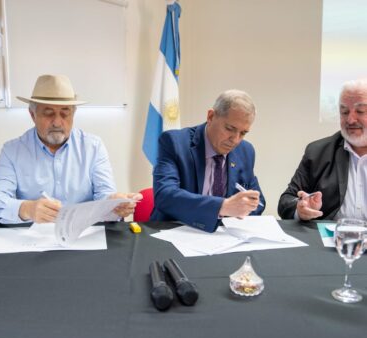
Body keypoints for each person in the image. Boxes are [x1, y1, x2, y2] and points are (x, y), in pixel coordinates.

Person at [0, 74, 140, 224]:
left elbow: (105, 196)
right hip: (31, 237)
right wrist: (27, 209)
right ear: (33, 115)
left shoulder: (93, 147)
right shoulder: (12, 151)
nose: (57, 123)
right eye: (48, 113)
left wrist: (114, 204)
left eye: (65, 114)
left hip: (83, 235)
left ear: (73, 114)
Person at [151, 89, 265, 233]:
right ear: (211, 116)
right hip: (176, 231)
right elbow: (165, 196)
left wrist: (245, 205)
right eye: (230, 129)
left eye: (243, 133)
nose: (235, 140)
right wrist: (222, 207)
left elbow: (259, 203)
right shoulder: (174, 142)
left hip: (223, 236)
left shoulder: (245, 151)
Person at [278, 78, 367, 221]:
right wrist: (301, 209)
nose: (350, 120)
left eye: (360, 111)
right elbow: (287, 201)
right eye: (344, 112)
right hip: (330, 234)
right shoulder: (318, 152)